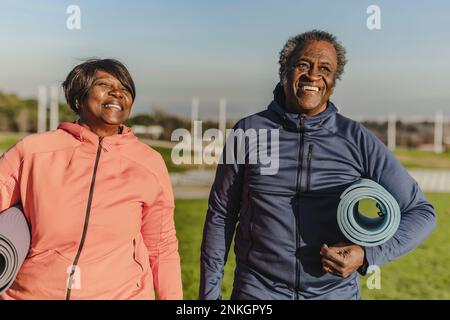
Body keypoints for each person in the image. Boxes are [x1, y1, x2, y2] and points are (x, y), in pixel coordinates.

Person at [199, 30, 436, 300]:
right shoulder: (248, 131)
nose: (313, 76)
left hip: (333, 293)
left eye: (325, 69)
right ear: (284, 70)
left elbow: (421, 212)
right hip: (258, 292)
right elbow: (221, 214)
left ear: (333, 82)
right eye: (303, 65)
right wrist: (209, 296)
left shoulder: (356, 138)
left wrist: (367, 254)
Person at [0, 59, 182, 300]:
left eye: (125, 89)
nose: (118, 92)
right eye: (104, 85)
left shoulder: (149, 163)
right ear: (78, 98)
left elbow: (162, 246)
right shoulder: (32, 151)